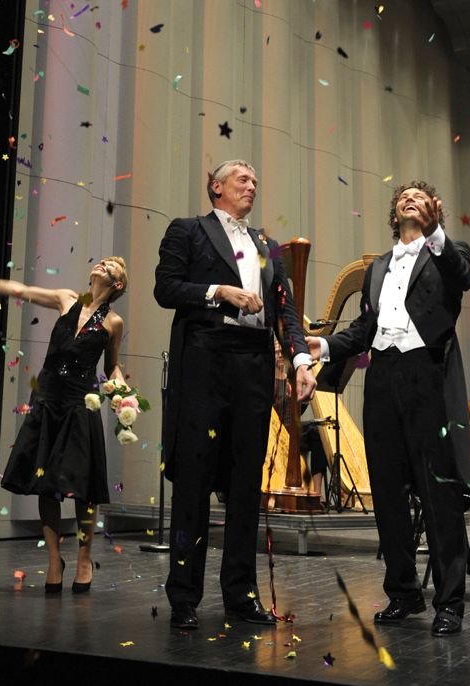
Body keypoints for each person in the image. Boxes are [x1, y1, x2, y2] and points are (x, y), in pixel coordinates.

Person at [306, 181, 470, 636]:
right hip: (382, 378)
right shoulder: (379, 266)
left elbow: (463, 278)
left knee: (438, 493)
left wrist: (438, 233)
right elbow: (363, 328)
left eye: (419, 196)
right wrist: (321, 344)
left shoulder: (449, 252)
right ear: (393, 210)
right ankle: (403, 594)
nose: (410, 200)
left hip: (427, 376)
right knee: (386, 491)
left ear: (433, 209)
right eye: (404, 196)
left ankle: (450, 602)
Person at [154, 160, 316, 630]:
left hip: (253, 364)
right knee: (195, 480)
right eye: (243, 179)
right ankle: (184, 595)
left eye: (255, 180)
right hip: (205, 361)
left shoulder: (267, 245)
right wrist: (218, 291)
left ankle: (240, 595)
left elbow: (285, 308)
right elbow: (165, 288)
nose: (252, 185)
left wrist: (301, 360)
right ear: (216, 187)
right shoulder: (187, 230)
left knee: (247, 483)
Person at [0, 257, 128, 593]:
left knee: (83, 487)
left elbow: (112, 367)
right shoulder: (66, 298)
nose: (102, 264)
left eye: (111, 265)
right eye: (101, 261)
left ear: (118, 284)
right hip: (50, 399)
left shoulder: (113, 322)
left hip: (81, 403)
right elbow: (19, 289)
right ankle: (54, 560)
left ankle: (83, 556)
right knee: (45, 481)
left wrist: (122, 392)